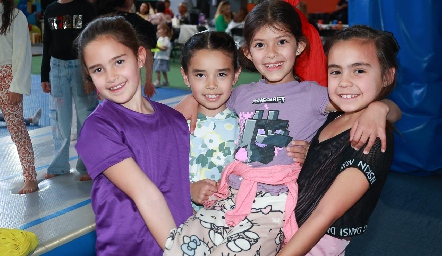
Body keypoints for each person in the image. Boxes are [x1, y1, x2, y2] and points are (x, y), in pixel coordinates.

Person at [164, 1, 400, 254]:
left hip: (274, 204)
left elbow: (356, 97)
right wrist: (189, 98)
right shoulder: (240, 93)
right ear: (247, 52)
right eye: (260, 45)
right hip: (231, 193)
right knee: (180, 244)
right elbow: (210, 95)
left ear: (299, 46)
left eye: (282, 42)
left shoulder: (313, 94)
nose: (271, 53)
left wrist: (382, 108)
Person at [74, 16, 193, 255]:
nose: (111, 76)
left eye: (118, 61)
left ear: (140, 57)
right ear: (89, 75)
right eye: (98, 69)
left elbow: (175, 183)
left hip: (181, 241)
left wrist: (197, 99)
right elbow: (145, 193)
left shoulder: (175, 120)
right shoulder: (98, 129)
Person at [278, 25, 400, 256]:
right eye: (336, 72)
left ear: (386, 76)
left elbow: (325, 214)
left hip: (311, 243)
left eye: (359, 71)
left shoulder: (370, 139)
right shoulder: (335, 114)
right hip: (289, 225)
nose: (344, 82)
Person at [180, 31, 242, 213]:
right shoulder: (176, 125)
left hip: (233, 226)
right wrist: (188, 190)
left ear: (236, 74)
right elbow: (159, 177)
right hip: (185, 227)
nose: (211, 84)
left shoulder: (246, 122)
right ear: (185, 76)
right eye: (200, 75)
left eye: (221, 74)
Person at [41, 0, 99, 181]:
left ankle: (88, 165)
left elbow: (93, 43)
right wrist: (44, 75)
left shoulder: (86, 8)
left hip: (81, 67)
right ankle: (59, 166)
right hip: (57, 67)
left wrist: (90, 75)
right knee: (59, 118)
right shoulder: (51, 9)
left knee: (86, 116)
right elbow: (46, 43)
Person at [0, 0, 39, 194]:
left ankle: (30, 177)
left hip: (8, 75)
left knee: (17, 130)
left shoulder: (16, 16)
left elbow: (23, 52)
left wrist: (17, 85)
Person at [94, 0, 157, 98]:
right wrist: (149, 80)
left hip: (107, 77)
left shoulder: (98, 20)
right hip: (129, 77)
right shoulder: (140, 23)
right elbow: (147, 53)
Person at [153, 22, 172, 87]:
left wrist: (157, 47)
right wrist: (152, 49)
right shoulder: (160, 39)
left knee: (158, 70)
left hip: (162, 58)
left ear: (165, 30)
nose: (158, 31)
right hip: (158, 57)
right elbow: (157, 48)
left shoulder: (166, 39)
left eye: (159, 29)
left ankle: (158, 81)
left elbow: (164, 48)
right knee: (163, 70)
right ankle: (166, 81)